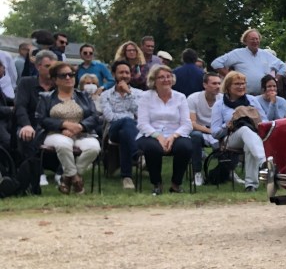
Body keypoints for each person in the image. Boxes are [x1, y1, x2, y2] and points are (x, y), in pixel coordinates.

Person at [35, 62, 101, 194]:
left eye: (71, 74)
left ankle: (67, 177)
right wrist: (63, 125)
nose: (68, 78)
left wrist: (80, 126)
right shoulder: (46, 97)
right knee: (63, 144)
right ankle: (76, 179)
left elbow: (95, 117)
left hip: (82, 133)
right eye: (63, 75)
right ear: (55, 80)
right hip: (54, 133)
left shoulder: (84, 96)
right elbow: (41, 119)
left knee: (94, 148)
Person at [136, 64, 193, 194]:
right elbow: (142, 123)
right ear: (154, 81)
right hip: (150, 134)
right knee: (153, 148)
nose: (166, 79)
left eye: (168, 76)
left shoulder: (180, 97)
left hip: (176, 134)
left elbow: (187, 124)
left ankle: (176, 184)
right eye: (161, 77)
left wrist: (173, 137)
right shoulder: (145, 97)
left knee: (185, 147)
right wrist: (158, 136)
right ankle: (157, 184)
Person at [211, 70, 267, 191]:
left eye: (243, 83)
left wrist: (255, 120)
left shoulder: (252, 100)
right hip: (230, 138)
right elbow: (214, 132)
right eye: (237, 84)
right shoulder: (219, 105)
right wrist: (227, 125)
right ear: (228, 86)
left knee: (249, 143)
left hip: (253, 136)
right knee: (244, 130)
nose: (241, 86)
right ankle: (264, 161)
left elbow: (265, 121)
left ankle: (251, 185)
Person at [14, 50, 57, 189]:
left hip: (53, 126)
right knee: (26, 134)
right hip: (31, 124)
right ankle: (37, 173)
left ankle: (62, 172)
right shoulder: (26, 83)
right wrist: (26, 125)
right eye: (48, 66)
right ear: (38, 66)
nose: (52, 70)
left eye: (54, 66)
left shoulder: (60, 84)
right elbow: (20, 107)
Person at [102, 60, 145, 189]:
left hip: (134, 131)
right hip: (112, 130)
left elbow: (141, 114)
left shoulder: (139, 94)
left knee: (124, 134)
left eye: (127, 72)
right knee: (127, 122)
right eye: (121, 72)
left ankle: (127, 177)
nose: (124, 75)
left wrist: (129, 93)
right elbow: (109, 117)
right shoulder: (106, 95)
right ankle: (137, 155)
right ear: (114, 74)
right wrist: (128, 119)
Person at [211, 28, 285, 94]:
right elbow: (216, 63)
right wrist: (231, 78)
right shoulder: (237, 53)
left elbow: (283, 66)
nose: (255, 41)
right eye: (252, 39)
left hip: (263, 96)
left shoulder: (266, 54)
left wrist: (275, 80)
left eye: (257, 39)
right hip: (244, 95)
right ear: (245, 41)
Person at [187, 71, 223, 186]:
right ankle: (197, 173)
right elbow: (192, 123)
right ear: (205, 85)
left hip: (218, 130)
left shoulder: (223, 99)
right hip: (200, 131)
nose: (218, 86)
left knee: (230, 136)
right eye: (214, 83)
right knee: (195, 136)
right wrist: (210, 131)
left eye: (219, 83)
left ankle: (227, 170)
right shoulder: (193, 98)